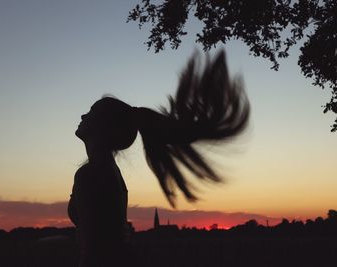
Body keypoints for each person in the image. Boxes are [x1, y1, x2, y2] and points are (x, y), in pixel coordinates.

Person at [68, 50, 250, 267]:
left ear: (104, 128)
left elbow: (93, 250)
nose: (83, 116)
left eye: (91, 112)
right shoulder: (109, 171)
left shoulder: (91, 174)